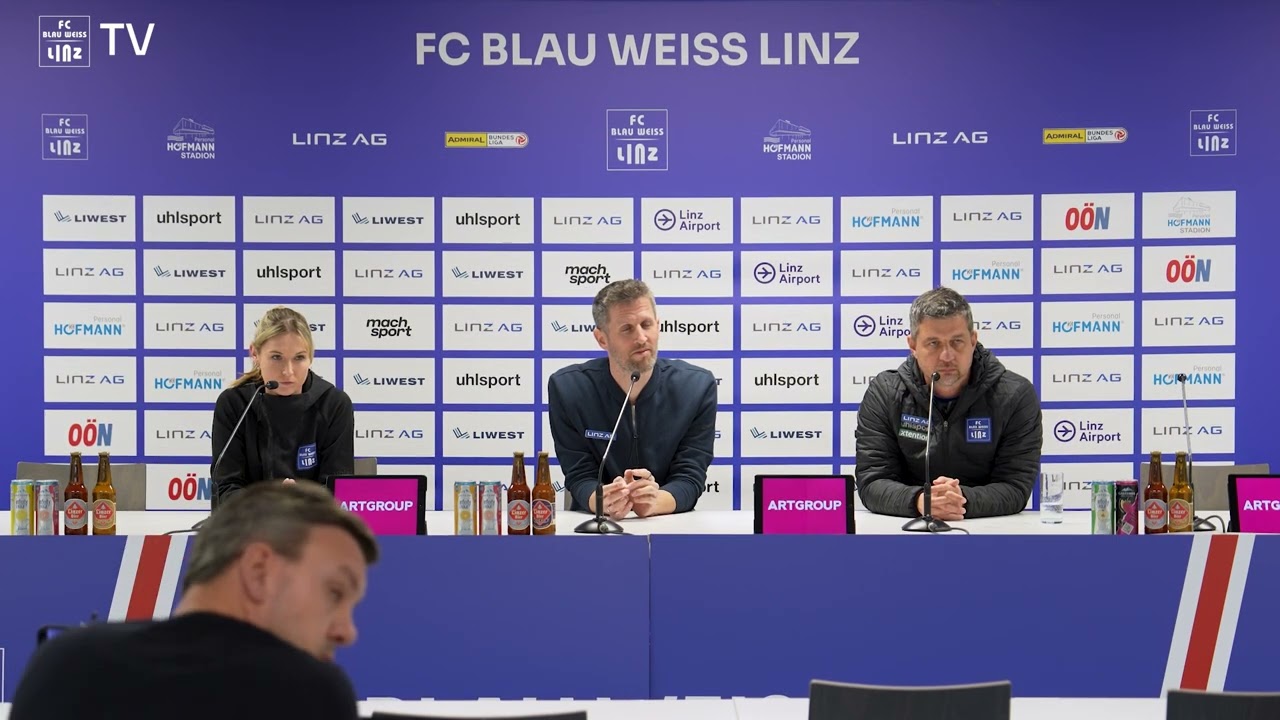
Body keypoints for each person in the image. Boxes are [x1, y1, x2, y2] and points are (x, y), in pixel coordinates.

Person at [10, 481, 379, 720]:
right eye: (335, 592)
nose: (347, 631)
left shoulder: (64, 663)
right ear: (259, 570)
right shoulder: (310, 693)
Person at [856, 287, 1042, 520]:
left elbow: (1015, 486)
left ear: (973, 340)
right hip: (909, 528)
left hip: (987, 531)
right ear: (912, 345)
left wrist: (959, 500)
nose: (947, 356)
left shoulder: (1015, 394)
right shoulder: (885, 393)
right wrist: (920, 501)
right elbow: (872, 481)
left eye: (957, 342)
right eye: (933, 343)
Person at [548, 279, 717, 519]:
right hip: (597, 525)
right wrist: (602, 500)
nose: (641, 338)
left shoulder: (697, 386)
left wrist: (654, 502)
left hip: (669, 522)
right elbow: (579, 474)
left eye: (647, 324)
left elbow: (690, 476)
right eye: (626, 329)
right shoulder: (568, 388)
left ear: (658, 325)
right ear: (602, 339)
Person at [211, 306, 354, 510]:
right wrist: (267, 503)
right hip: (247, 525)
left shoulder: (334, 404)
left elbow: (338, 491)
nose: (288, 371)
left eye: (299, 358)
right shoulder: (235, 404)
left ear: (311, 357)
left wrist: (300, 501)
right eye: (276, 357)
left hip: (313, 525)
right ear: (255, 354)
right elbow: (224, 488)